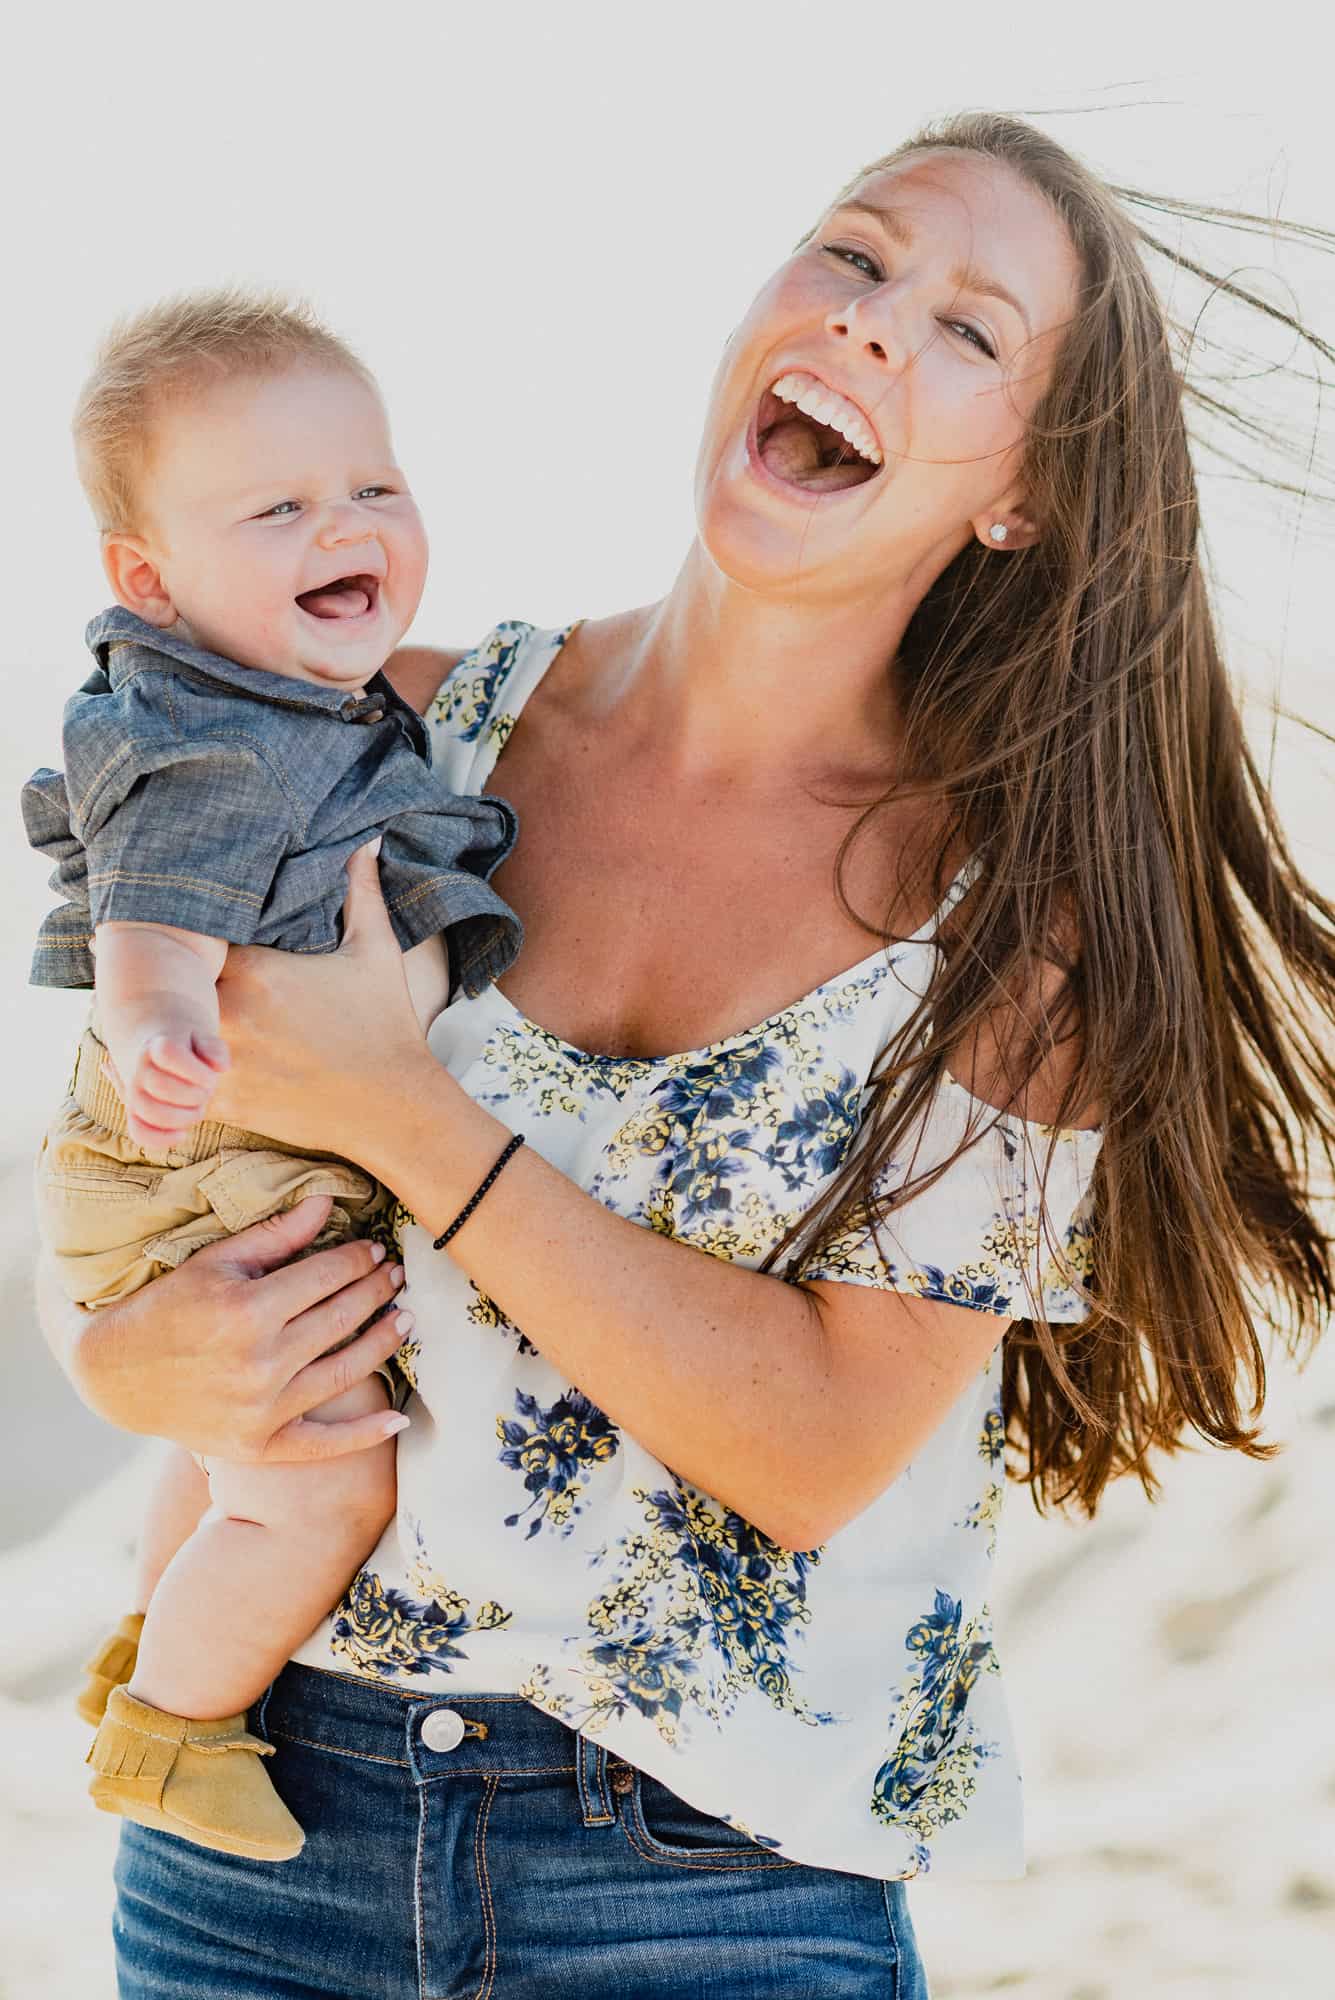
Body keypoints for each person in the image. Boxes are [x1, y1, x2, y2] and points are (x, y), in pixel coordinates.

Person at [40, 112, 1335, 2000]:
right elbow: (143, 1149)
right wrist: (114, 1353)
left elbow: (809, 1451)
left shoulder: (1021, 922)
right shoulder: (385, 734)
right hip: (268, 1824)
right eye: (856, 256)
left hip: (710, 1884)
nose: (878, 324)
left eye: (973, 332)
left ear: (1024, 498)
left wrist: (400, 1113)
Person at [23, 292, 521, 1863]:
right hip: (197, 1139)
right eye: (281, 506)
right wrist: (162, 1012)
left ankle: (145, 1657)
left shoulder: (307, 705)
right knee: (316, 1486)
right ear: (149, 583)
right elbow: (148, 895)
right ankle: (170, 1740)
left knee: (238, 1454)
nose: (345, 525)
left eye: (373, 486)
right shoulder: (209, 727)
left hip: (237, 1146)